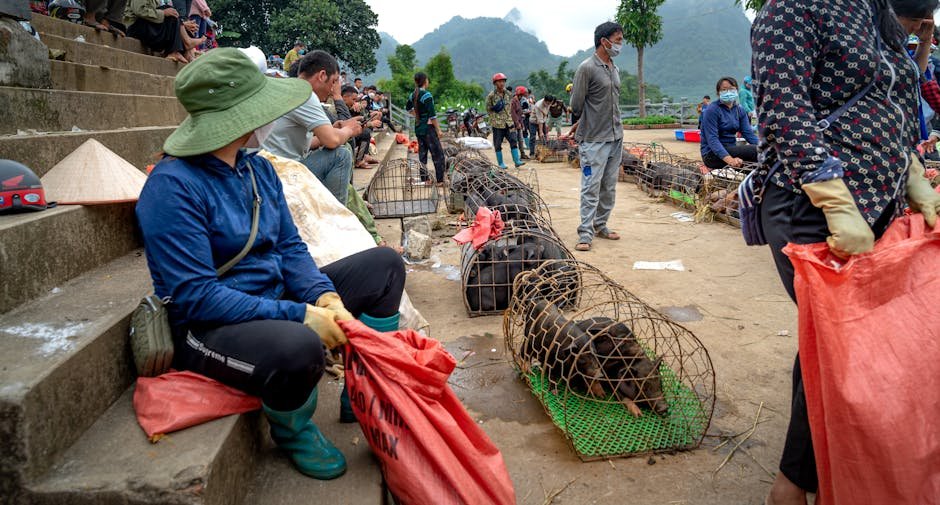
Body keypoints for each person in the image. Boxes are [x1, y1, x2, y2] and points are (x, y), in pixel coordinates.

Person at [135, 48, 406, 481]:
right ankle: (292, 428)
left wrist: (323, 294)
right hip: (210, 326)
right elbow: (197, 297)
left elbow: (290, 248)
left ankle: (363, 389)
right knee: (299, 346)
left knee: (385, 266)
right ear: (239, 119)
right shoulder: (171, 190)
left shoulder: (257, 170)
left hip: (274, 297)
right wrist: (298, 314)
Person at [752, 1, 940, 504]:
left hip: (879, 203)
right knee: (846, 345)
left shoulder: (874, 9)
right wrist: (833, 197)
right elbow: (784, 106)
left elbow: (898, 95)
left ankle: (806, 477)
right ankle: (792, 487)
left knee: (835, 344)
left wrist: (913, 175)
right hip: (812, 204)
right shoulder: (792, 9)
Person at [261, 50, 363, 205]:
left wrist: (333, 130)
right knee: (341, 155)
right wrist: (349, 130)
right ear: (322, 76)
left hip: (266, 170)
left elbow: (303, 143)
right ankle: (335, 218)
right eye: (333, 81)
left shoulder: (285, 88)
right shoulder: (305, 93)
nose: (332, 89)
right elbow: (333, 141)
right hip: (282, 175)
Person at [570, 21, 624, 252]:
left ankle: (601, 224)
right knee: (591, 186)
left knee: (609, 186)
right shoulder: (586, 68)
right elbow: (576, 104)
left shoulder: (614, 68)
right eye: (618, 40)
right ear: (604, 41)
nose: (621, 45)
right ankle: (585, 232)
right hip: (593, 140)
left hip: (615, 137)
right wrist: (581, 123)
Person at [699, 77, 759, 169]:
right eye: (724, 90)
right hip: (712, 154)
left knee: (760, 163)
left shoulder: (740, 110)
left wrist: (767, 148)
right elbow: (712, 139)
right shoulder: (712, 110)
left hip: (731, 149)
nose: (728, 92)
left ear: (737, 90)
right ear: (718, 93)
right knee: (754, 150)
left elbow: (749, 134)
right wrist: (730, 160)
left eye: (731, 89)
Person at [124, 0, 204, 64]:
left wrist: (181, 24)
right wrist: (164, 13)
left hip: (147, 26)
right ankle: (184, 45)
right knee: (169, 10)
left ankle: (187, 53)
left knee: (174, 14)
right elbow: (140, 11)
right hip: (135, 29)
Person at [406, 72, 447, 184]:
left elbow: (408, 109)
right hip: (428, 128)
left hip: (418, 127)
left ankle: (425, 179)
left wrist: (417, 116)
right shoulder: (427, 95)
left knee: (422, 154)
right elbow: (432, 115)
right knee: (438, 154)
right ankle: (440, 181)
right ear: (425, 81)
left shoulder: (412, 95)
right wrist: (438, 130)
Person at [486, 72, 525, 168]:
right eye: (499, 82)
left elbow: (510, 108)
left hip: (509, 122)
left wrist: (514, 120)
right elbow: (488, 109)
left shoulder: (509, 94)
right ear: (495, 83)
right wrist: (494, 119)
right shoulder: (491, 96)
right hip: (497, 124)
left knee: (513, 140)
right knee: (498, 143)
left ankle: (517, 161)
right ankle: (501, 163)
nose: (502, 83)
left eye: (503, 81)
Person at [510, 85, 529, 160]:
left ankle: (522, 154)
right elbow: (513, 113)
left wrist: (521, 124)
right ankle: (516, 156)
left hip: (518, 123)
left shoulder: (518, 100)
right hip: (513, 123)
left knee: (520, 139)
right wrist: (517, 123)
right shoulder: (513, 101)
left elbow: (520, 113)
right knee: (514, 140)